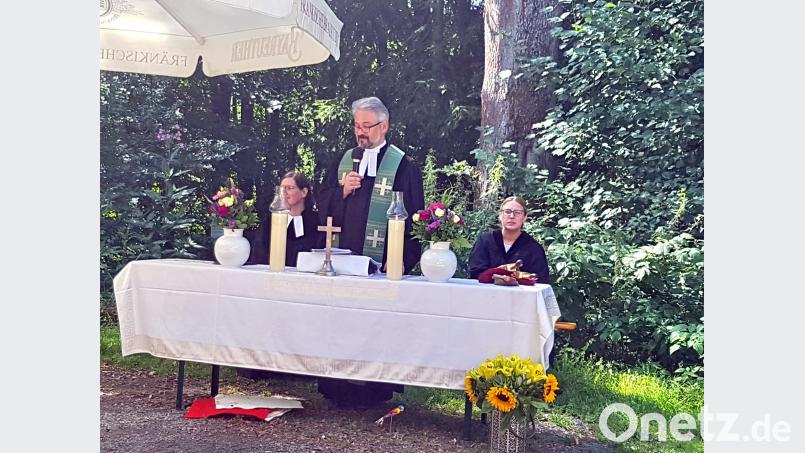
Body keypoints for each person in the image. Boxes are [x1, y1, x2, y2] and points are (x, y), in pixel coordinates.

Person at [315, 96, 425, 407]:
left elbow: (414, 214)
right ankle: (335, 386)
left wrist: (401, 260)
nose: (361, 132)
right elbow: (322, 204)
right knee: (340, 322)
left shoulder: (403, 166)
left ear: (384, 125)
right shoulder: (344, 160)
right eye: (357, 126)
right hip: (343, 260)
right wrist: (342, 191)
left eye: (367, 126)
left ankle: (374, 391)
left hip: (381, 263)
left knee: (376, 326)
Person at [468, 196, 551, 284]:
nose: (512, 216)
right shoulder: (485, 242)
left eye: (517, 212)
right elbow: (475, 273)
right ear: (500, 216)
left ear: (525, 217)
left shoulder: (534, 248)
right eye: (507, 212)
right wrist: (497, 276)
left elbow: (540, 280)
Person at [248, 171, 324, 267]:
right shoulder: (271, 221)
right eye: (282, 189)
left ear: (304, 192)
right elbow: (260, 253)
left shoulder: (316, 222)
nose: (284, 193)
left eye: (289, 188)